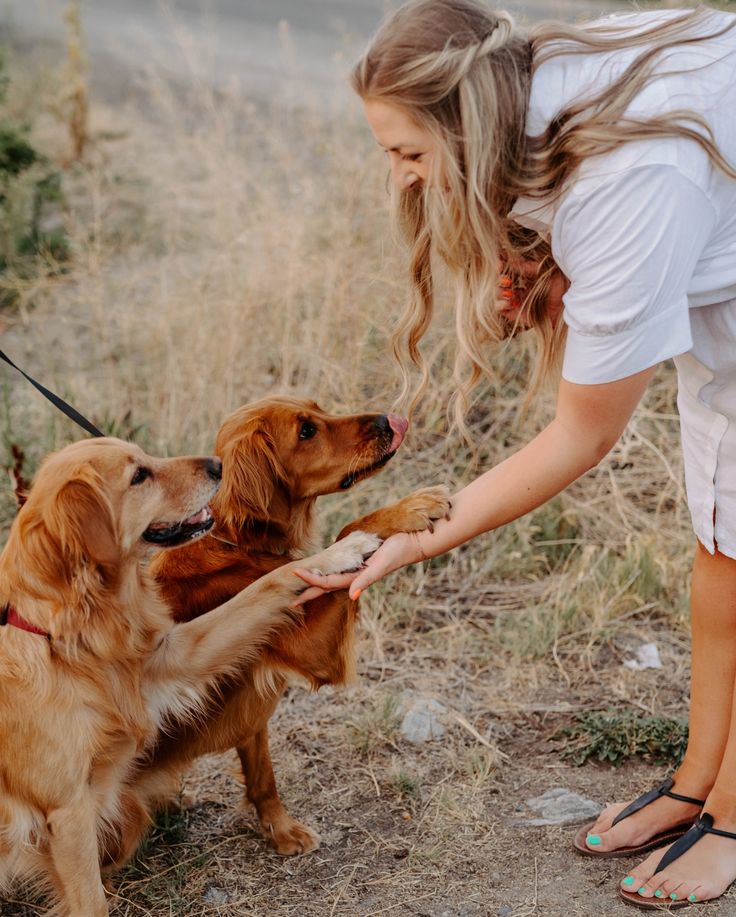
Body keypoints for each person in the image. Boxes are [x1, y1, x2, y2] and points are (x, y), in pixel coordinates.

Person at [294, 0, 736, 908]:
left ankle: (733, 818)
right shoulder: (533, 90)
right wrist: (541, 261)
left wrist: (421, 536)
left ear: (470, 123)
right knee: (723, 533)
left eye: (410, 154)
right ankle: (699, 782)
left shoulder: (628, 184)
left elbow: (584, 433)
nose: (405, 181)